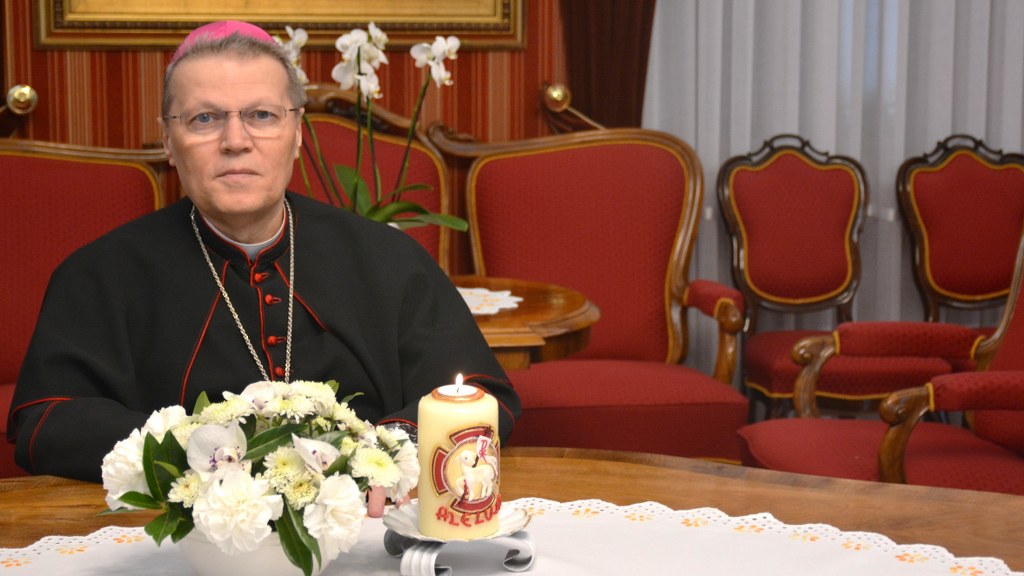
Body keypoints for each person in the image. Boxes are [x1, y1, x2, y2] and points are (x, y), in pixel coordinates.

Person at [6, 21, 520, 483]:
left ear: (296, 134)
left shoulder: (388, 259)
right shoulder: (100, 274)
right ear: (168, 140)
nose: (236, 140)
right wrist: (198, 453)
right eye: (204, 118)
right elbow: (47, 421)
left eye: (262, 115)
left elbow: (480, 396)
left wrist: (379, 457)